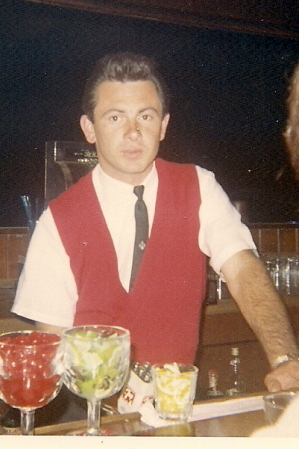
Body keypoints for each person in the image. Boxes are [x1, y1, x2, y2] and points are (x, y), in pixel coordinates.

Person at [12, 52, 299, 393]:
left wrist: (286, 359)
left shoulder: (199, 186)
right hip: (92, 417)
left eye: (145, 116)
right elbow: (53, 346)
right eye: (115, 117)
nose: (133, 132)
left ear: (163, 125)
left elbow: (243, 269)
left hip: (175, 408)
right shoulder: (56, 221)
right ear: (89, 129)